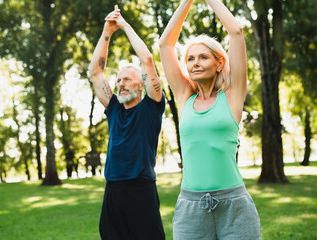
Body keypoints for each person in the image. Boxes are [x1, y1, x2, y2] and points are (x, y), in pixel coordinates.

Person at [159, 0, 262, 239]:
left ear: (219, 63)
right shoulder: (184, 97)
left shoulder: (232, 96)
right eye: (190, 58)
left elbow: (235, 32)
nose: (195, 63)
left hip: (234, 206)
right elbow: (165, 44)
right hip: (190, 208)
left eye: (203, 57)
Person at [88, 5, 165, 240]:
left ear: (141, 84)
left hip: (141, 190)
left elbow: (147, 60)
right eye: (118, 79)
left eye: (127, 79)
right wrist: (107, 31)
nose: (120, 83)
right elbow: (95, 72)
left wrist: (124, 25)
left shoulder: (151, 107)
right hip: (113, 191)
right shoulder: (113, 109)